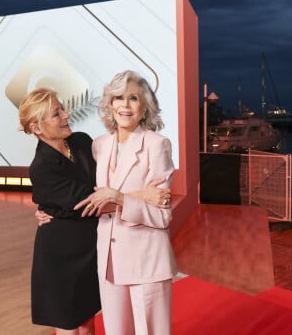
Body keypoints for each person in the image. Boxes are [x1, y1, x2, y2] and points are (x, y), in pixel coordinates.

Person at [20, 87, 170, 335]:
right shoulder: (41, 167)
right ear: (37, 128)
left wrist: (121, 195)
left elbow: (108, 182)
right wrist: (142, 196)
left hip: (91, 248)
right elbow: (92, 201)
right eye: (56, 114)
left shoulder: (81, 142)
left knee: (87, 324)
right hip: (61, 255)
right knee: (69, 327)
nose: (66, 115)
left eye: (62, 109)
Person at [74, 70, 177, 335]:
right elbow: (90, 195)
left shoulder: (157, 145)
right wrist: (47, 209)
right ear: (110, 105)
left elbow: (162, 216)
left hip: (147, 259)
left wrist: (120, 198)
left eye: (133, 98)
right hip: (108, 260)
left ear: (145, 107)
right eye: (118, 98)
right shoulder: (99, 145)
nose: (125, 105)